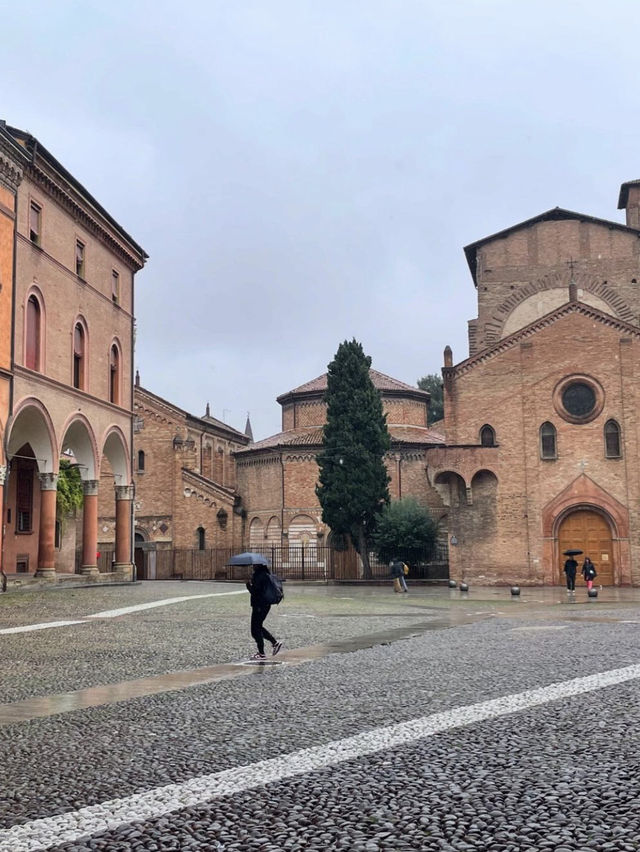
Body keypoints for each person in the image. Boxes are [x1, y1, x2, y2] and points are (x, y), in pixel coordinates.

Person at [246, 563, 283, 660]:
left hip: (259, 605)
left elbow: (256, 592)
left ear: (258, 566)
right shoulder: (265, 574)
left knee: (255, 629)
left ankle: (262, 653)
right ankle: (274, 643)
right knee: (258, 627)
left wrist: (248, 585)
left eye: (254, 565)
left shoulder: (259, 576)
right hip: (265, 605)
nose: (252, 566)